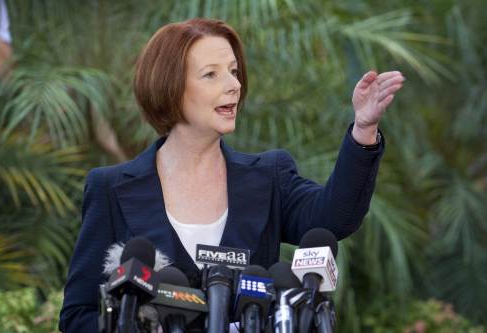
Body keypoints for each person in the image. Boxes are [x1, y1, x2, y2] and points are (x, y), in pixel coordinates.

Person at [59, 18, 404, 332]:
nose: (233, 85)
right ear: (169, 86)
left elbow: (334, 219)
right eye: (211, 74)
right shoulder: (111, 188)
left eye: (234, 71)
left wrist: (363, 129)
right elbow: (77, 316)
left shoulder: (269, 176)